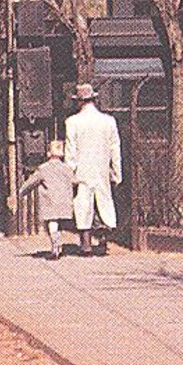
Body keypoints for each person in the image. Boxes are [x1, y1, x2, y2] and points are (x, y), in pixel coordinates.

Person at [65, 82, 123, 255]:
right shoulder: (108, 121)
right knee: (104, 201)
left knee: (83, 203)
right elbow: (115, 148)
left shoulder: (72, 122)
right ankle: (104, 239)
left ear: (79, 101)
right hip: (102, 168)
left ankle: (86, 243)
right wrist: (116, 172)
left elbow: (71, 150)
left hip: (82, 169)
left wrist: (70, 172)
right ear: (94, 100)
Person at [18, 139, 77, 259]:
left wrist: (21, 192)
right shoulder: (67, 168)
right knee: (59, 224)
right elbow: (74, 181)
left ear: (48, 153)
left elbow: (31, 182)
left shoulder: (43, 168)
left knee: (52, 223)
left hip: (50, 200)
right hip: (64, 201)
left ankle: (55, 247)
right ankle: (58, 246)